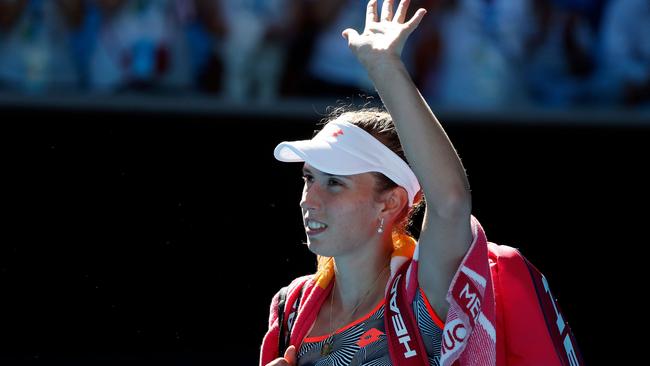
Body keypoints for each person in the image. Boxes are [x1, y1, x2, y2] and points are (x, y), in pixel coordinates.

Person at [260, 1, 583, 365]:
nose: (309, 199)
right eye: (309, 178)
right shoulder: (291, 305)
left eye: (334, 183)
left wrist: (385, 67)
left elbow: (449, 202)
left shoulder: (423, 292)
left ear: (391, 202)